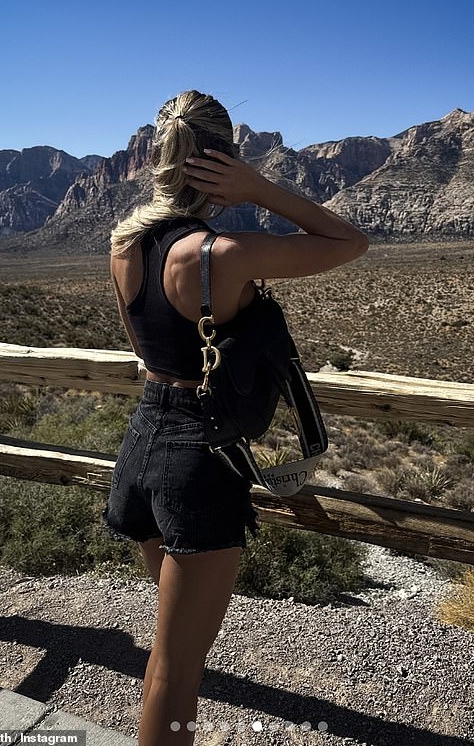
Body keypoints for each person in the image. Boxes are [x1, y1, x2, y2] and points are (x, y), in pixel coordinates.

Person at [101, 89, 369, 745]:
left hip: (143, 448)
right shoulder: (223, 255)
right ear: (220, 159)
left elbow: (147, 353)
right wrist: (260, 189)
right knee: (175, 673)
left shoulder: (124, 246)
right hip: (200, 464)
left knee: (168, 652)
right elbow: (349, 240)